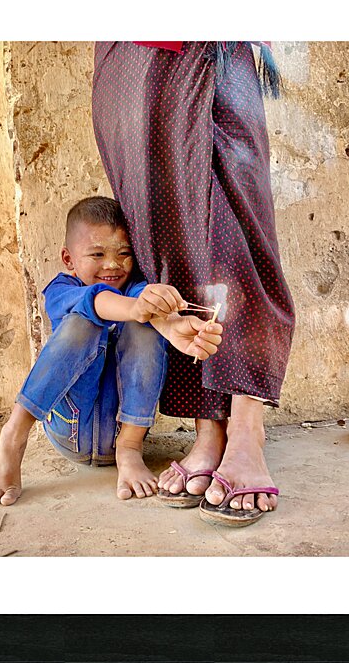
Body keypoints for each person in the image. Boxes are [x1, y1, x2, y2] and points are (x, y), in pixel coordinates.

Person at [92, 41, 295, 527]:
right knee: (165, 233)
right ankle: (210, 428)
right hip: (128, 45)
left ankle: (246, 427)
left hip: (215, 30)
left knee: (236, 228)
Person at [0, 196, 222, 506]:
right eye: (97, 253)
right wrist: (139, 308)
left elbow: (143, 304)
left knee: (143, 323)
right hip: (69, 428)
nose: (113, 264)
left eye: (124, 254)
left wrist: (170, 325)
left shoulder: (133, 287)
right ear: (69, 259)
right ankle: (13, 438)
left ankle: (129, 449)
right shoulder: (60, 289)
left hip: (124, 431)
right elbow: (96, 300)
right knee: (84, 321)